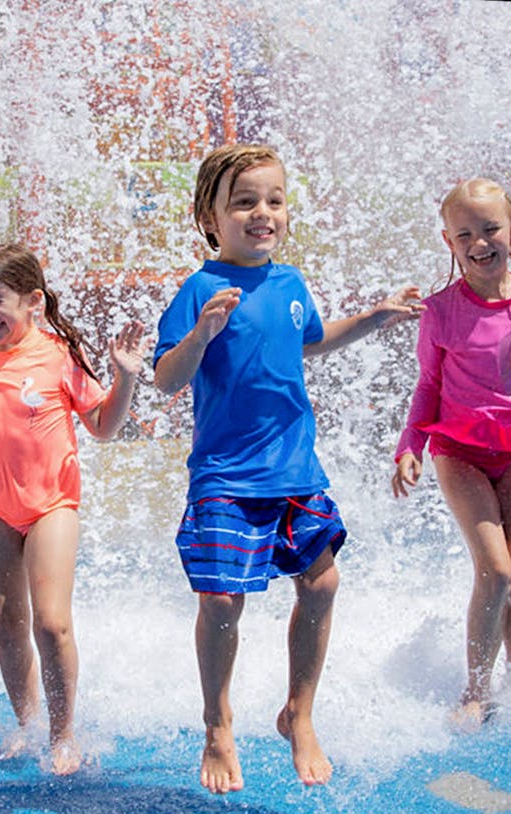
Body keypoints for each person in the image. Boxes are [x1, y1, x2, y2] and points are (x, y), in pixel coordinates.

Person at [153, 143, 423, 794]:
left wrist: (374, 316)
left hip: (296, 470)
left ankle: (298, 712)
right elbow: (166, 380)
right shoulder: (200, 289)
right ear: (210, 217)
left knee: (322, 585)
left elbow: (313, 338)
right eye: (243, 201)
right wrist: (200, 337)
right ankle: (218, 722)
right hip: (225, 473)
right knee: (221, 599)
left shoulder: (290, 281)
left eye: (273, 200)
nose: (262, 213)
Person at [0, 242, 144, 775]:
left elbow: (103, 428)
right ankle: (27, 725)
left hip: (52, 505)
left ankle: (63, 735)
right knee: (5, 622)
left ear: (33, 300)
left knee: (50, 623)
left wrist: (126, 377)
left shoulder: (58, 354)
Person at [392, 177, 511, 730]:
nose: (480, 242)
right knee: (496, 568)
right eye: (466, 234)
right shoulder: (442, 311)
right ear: (449, 241)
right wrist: (408, 447)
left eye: (491, 228)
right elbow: (428, 386)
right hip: (460, 451)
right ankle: (475, 691)